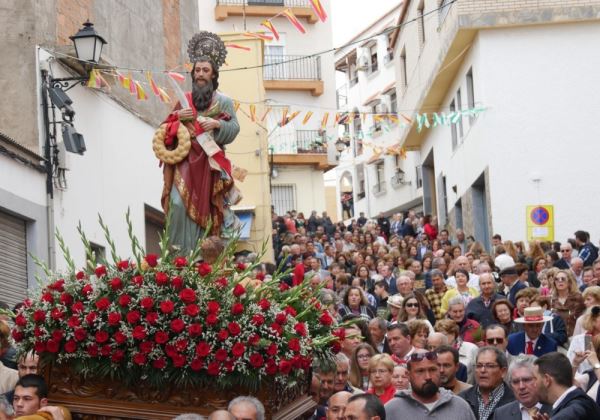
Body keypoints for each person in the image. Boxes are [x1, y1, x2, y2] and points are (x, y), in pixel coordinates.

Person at [160, 32, 241, 253]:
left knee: (209, 210)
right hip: (185, 163)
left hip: (209, 165)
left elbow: (234, 128)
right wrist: (178, 119)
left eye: (206, 70)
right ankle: (178, 258)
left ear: (214, 75)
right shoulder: (184, 101)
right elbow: (165, 131)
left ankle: (201, 258)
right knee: (177, 204)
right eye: (197, 70)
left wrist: (216, 125)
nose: (201, 74)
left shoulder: (223, 101)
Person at [385, 350, 476, 419]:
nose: (428, 377)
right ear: (408, 375)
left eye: (432, 370)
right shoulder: (392, 410)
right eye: (420, 371)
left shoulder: (460, 407)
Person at [533, 352, 600, 419]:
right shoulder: (580, 401)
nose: (533, 384)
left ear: (547, 380)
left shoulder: (573, 411)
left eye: (535, 379)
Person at [459, 347, 516, 420]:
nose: (482, 370)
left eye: (490, 366)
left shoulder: (516, 401)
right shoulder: (462, 399)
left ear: (503, 371)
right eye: (479, 366)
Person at [492, 355, 552, 420]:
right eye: (515, 382)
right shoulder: (501, 414)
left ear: (540, 380)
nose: (521, 386)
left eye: (527, 380)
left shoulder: (557, 409)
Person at [549, 269, 585, 337]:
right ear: (554, 283)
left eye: (563, 279)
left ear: (569, 282)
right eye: (557, 279)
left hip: (574, 336)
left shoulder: (578, 298)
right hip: (557, 336)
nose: (560, 281)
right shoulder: (551, 300)